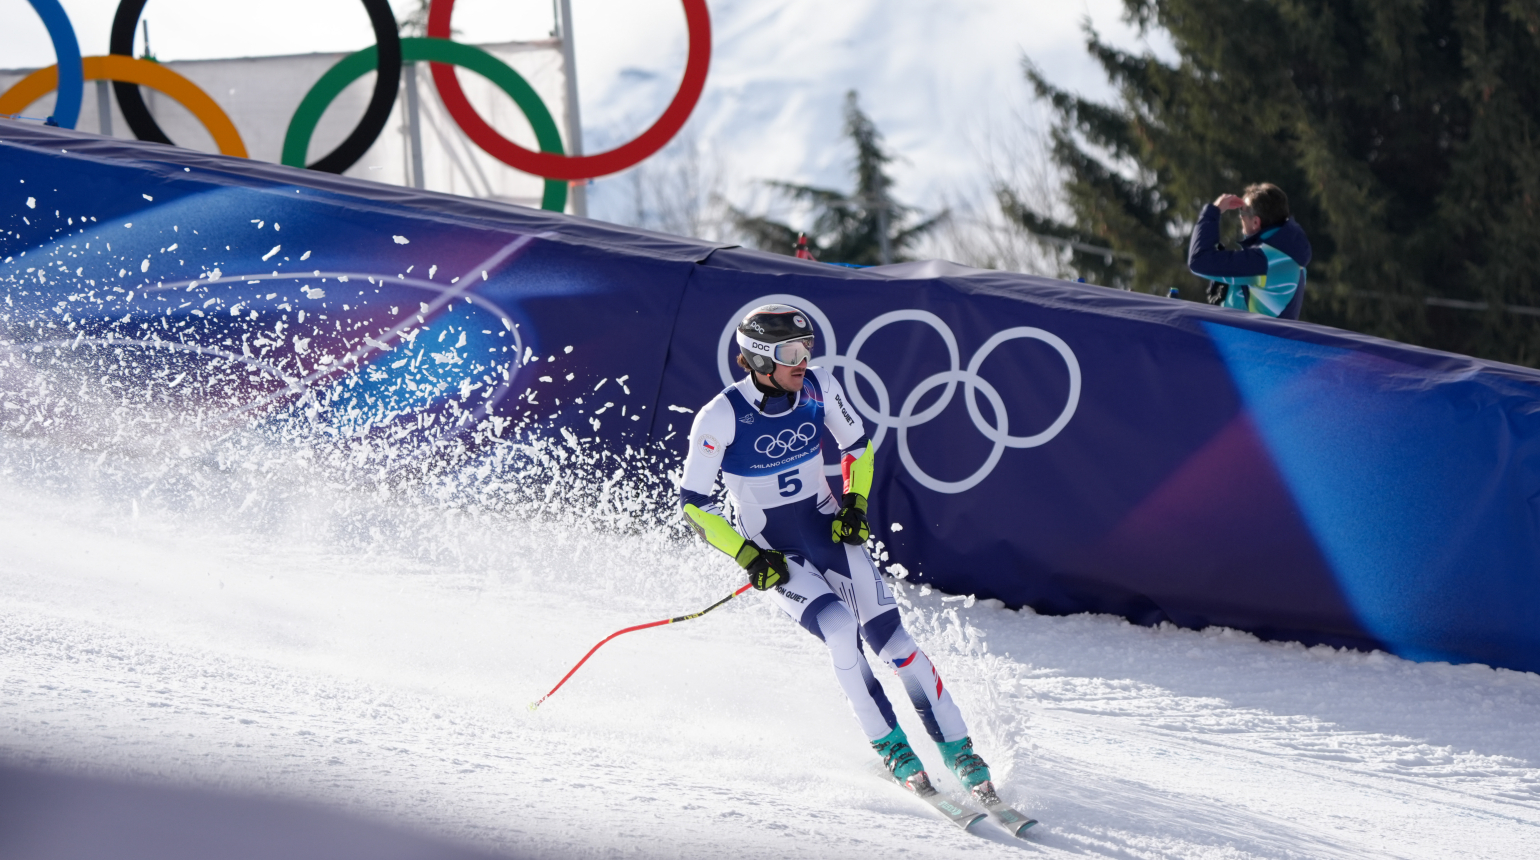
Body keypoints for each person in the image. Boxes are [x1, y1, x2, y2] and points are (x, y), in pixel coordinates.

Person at [677, 304, 1000, 804]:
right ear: (759, 359)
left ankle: (959, 750)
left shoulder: (820, 387)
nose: (802, 360)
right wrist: (747, 556)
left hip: (826, 531)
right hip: (774, 551)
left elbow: (859, 448)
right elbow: (695, 506)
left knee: (895, 643)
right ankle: (892, 746)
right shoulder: (720, 415)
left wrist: (855, 502)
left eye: (807, 348)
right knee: (838, 629)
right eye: (789, 352)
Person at [1188, 182, 1312, 319]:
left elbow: (1198, 260)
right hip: (1267, 338)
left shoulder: (1265, 261)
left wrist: (1213, 211)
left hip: (1249, 339)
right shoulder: (1290, 256)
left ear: (1256, 222)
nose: (1240, 216)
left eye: (1243, 212)